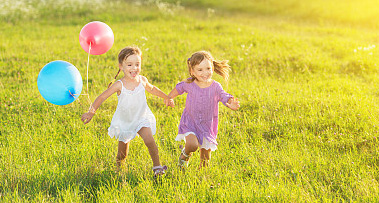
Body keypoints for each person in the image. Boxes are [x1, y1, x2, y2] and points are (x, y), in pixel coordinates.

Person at [81, 46, 172, 177]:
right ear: (121, 66)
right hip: (125, 121)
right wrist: (91, 112)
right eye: (129, 65)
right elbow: (102, 97)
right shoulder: (119, 85)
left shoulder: (142, 80)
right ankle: (119, 171)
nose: (134, 68)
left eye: (137, 64)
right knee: (122, 154)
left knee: (150, 141)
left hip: (141, 117)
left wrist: (167, 97)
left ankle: (157, 167)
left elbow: (153, 89)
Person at [167, 50, 240, 169]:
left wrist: (230, 102)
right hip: (190, 122)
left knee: (205, 158)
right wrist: (169, 97)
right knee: (192, 145)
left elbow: (223, 95)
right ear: (192, 71)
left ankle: (202, 177)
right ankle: (185, 155)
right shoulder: (189, 84)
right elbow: (178, 88)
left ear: (212, 67)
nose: (205, 73)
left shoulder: (215, 86)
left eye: (208, 68)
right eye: (200, 70)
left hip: (207, 125)